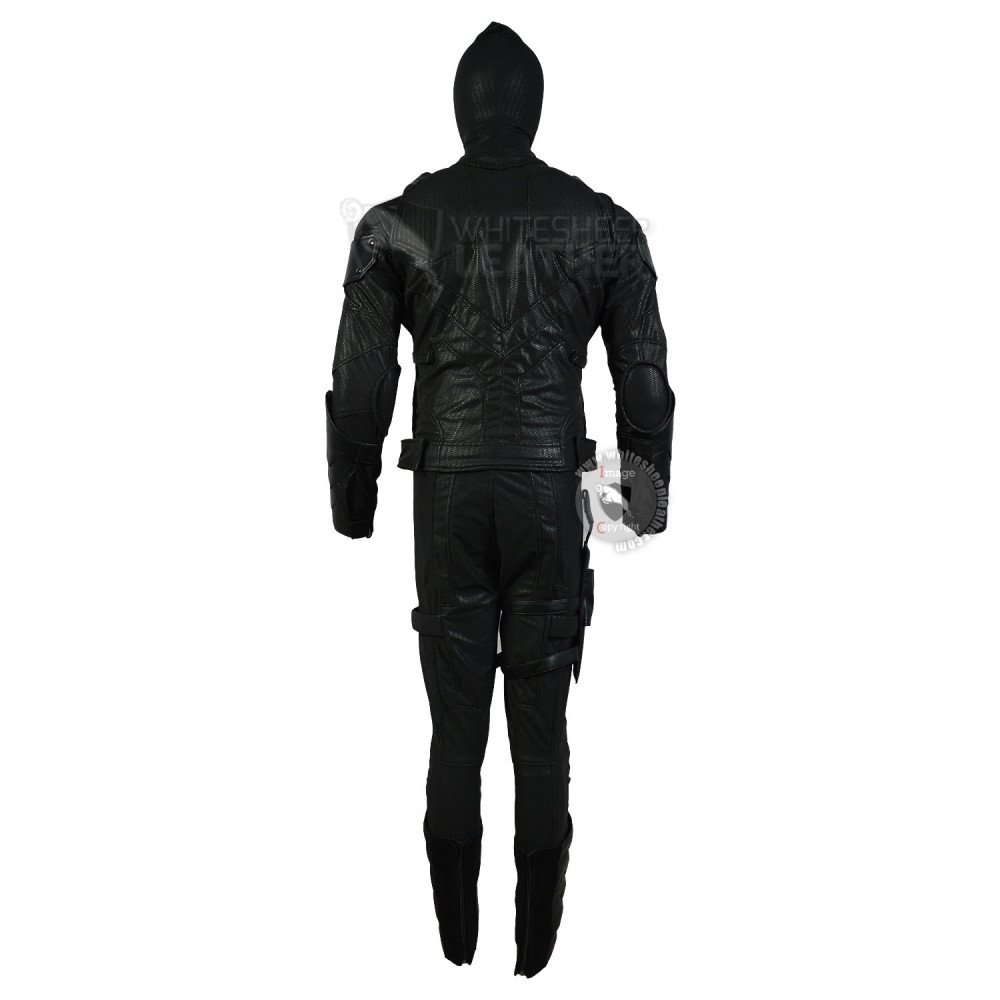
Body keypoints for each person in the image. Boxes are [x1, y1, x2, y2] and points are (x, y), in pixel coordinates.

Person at [325, 22, 674, 976]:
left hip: (448, 494)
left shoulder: (395, 226)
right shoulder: (602, 225)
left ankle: (455, 947)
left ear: (461, 109)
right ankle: (535, 952)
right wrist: (643, 506)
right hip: (547, 491)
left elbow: (360, 386)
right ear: (533, 110)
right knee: (542, 733)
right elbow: (645, 388)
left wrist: (354, 503)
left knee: (454, 730)